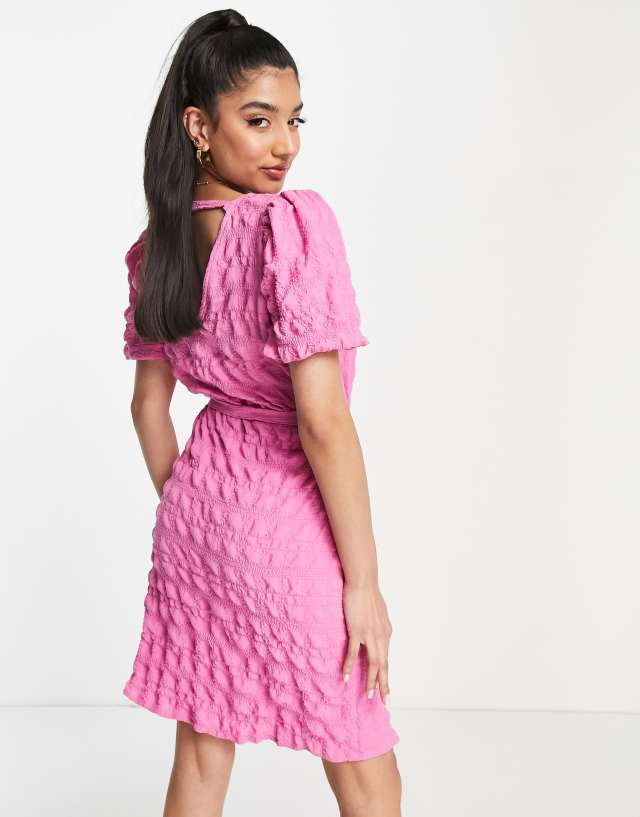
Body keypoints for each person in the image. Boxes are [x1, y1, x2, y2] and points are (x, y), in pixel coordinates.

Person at [121, 9, 402, 816]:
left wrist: (195, 504)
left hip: (198, 521)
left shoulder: (159, 249)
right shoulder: (291, 227)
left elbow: (148, 406)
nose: (285, 144)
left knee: (201, 753)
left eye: (293, 120)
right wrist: (364, 584)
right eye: (258, 120)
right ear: (199, 127)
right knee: (362, 760)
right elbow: (323, 422)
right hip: (286, 526)